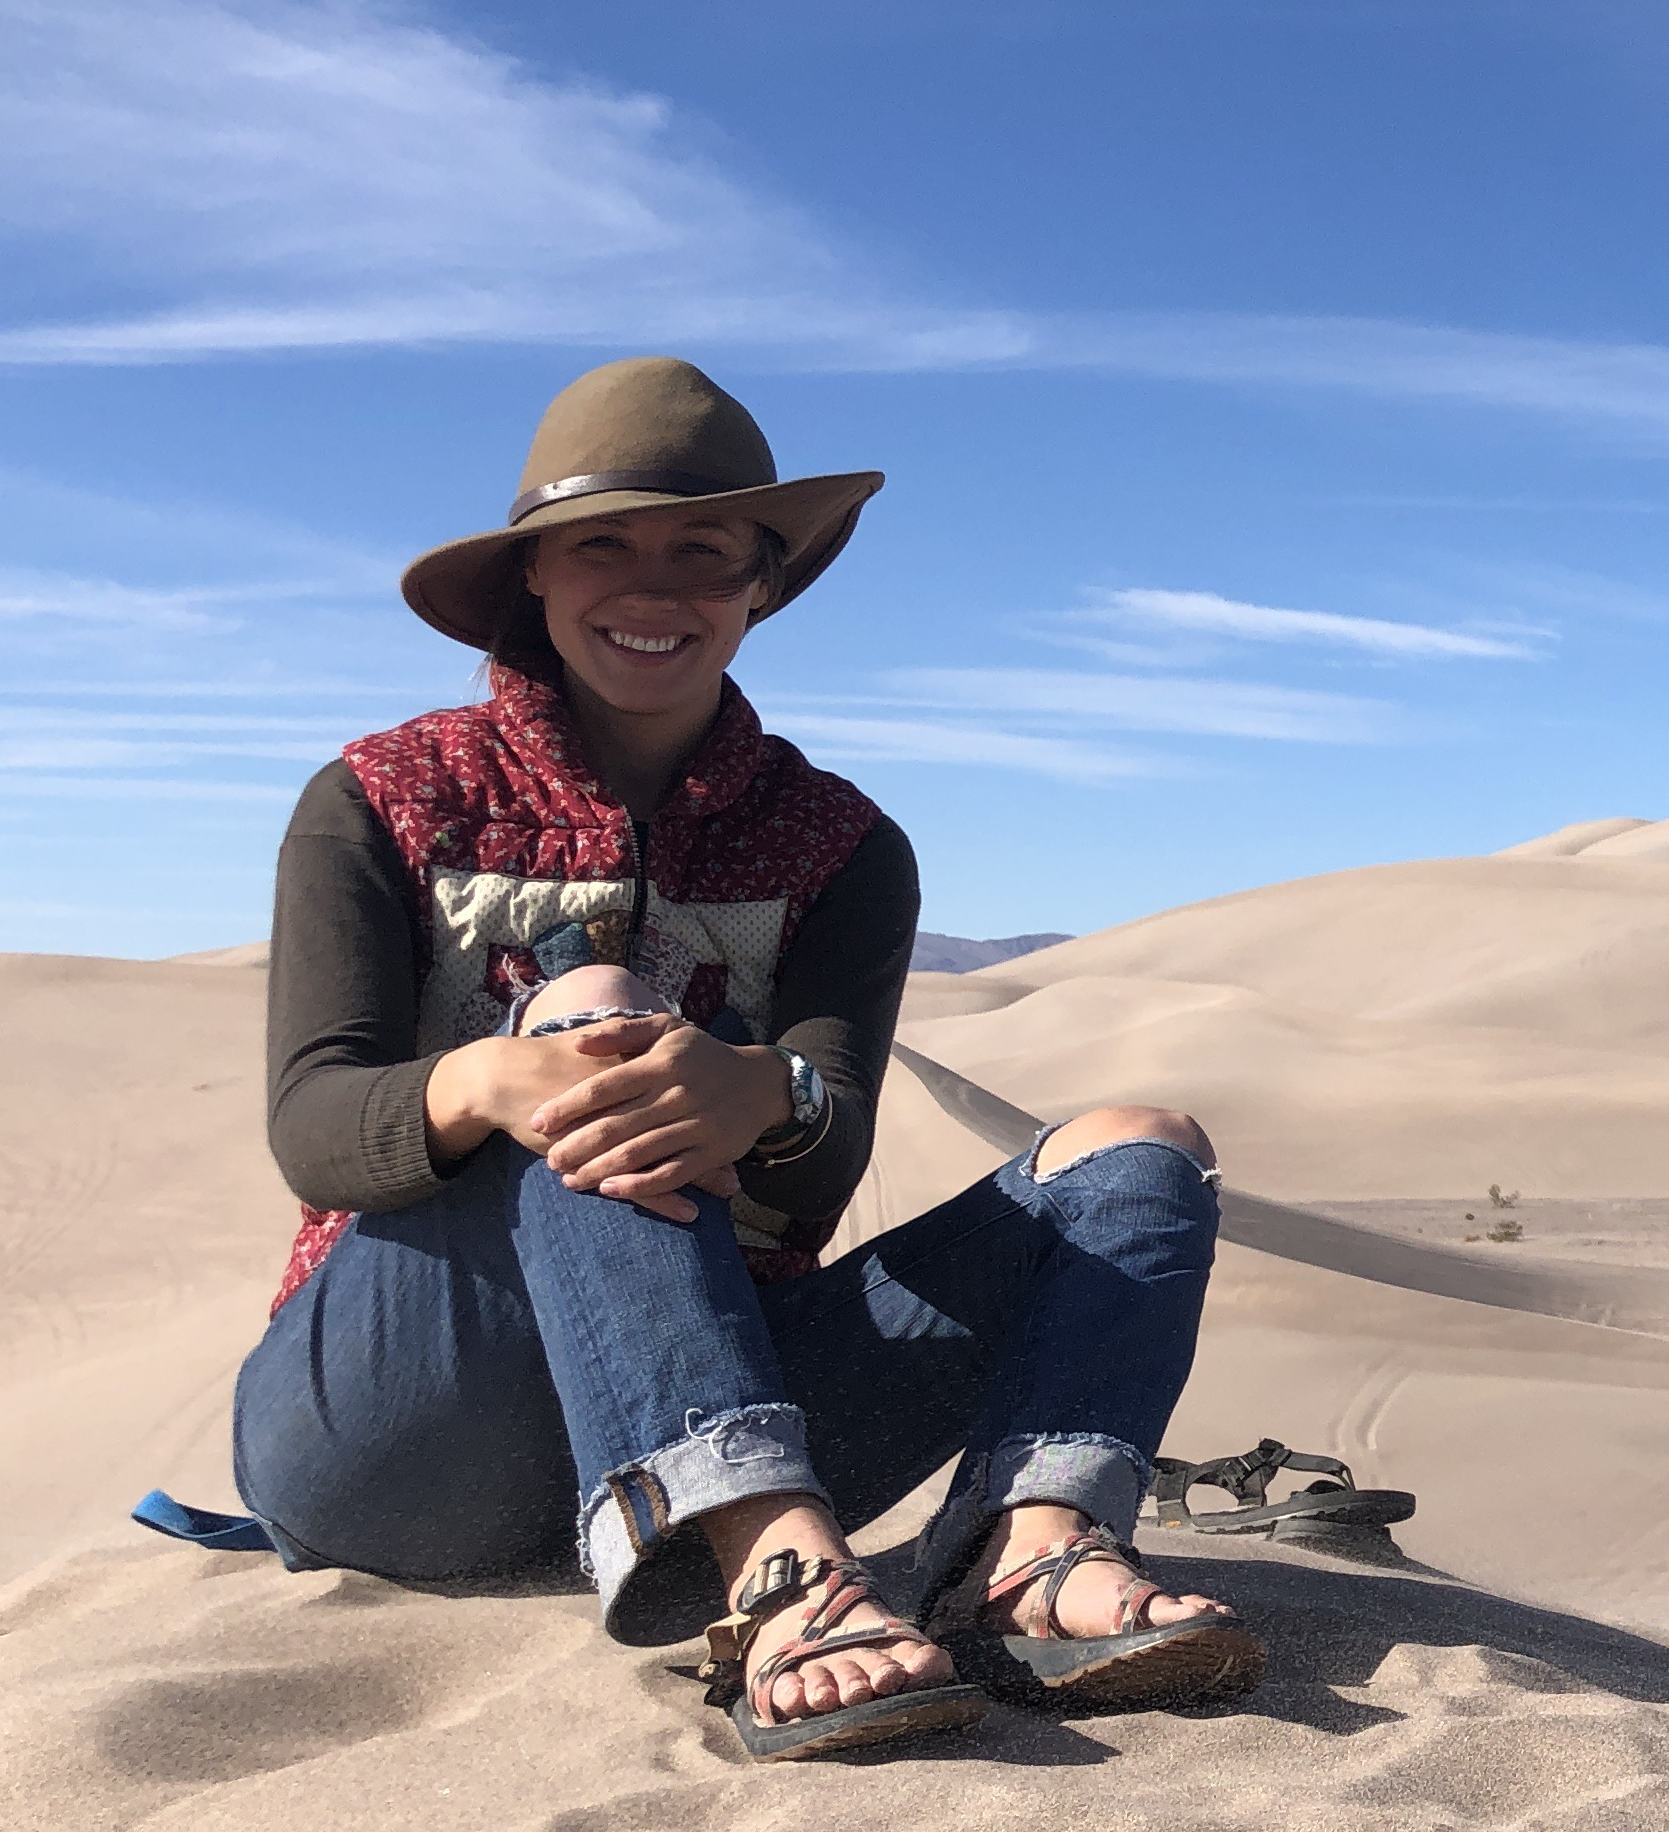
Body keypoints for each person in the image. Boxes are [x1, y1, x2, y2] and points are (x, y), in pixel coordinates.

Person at [233, 356, 1264, 1762]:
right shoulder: (386, 796)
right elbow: (314, 1125)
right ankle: (779, 1572)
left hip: (726, 1383)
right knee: (595, 1015)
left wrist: (763, 1094)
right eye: (605, 544)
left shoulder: (841, 845)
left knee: (1142, 1149)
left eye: (701, 551)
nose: (654, 588)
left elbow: (826, 1152)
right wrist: (494, 1076)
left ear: (758, 584)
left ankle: (1025, 1552)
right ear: (534, 573)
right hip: (398, 1435)